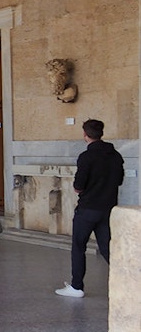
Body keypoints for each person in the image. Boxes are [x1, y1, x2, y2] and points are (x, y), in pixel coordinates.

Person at [56, 119, 124, 298]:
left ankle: (77, 287)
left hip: (87, 209)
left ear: (85, 135)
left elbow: (79, 186)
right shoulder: (116, 155)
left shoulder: (86, 157)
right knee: (107, 248)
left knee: (78, 246)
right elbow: (119, 181)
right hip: (108, 209)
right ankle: (128, 281)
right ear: (101, 133)